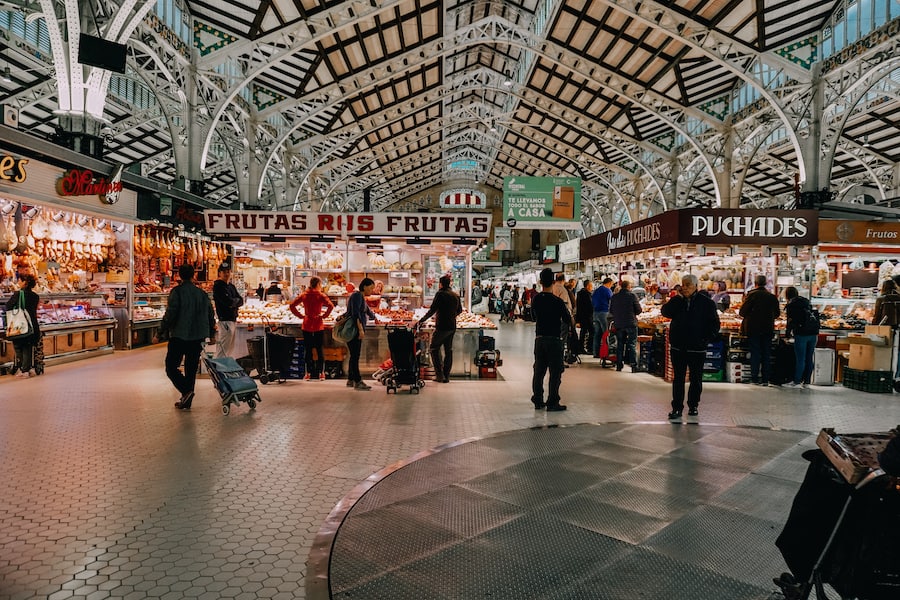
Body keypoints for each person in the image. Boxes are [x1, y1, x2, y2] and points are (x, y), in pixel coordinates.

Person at [155, 264, 216, 410]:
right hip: (197, 336)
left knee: (171, 367)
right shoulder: (202, 294)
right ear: (193, 275)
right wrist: (212, 334)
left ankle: (186, 392)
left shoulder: (177, 292)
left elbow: (170, 314)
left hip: (179, 335)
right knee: (190, 368)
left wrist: (160, 332)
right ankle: (187, 399)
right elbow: (210, 315)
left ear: (180, 276)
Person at [661, 274, 720, 420]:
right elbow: (665, 312)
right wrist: (677, 299)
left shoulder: (706, 303)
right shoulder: (677, 301)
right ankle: (677, 408)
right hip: (678, 347)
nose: (685, 288)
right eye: (683, 285)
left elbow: (714, 324)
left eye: (688, 285)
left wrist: (705, 339)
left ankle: (693, 406)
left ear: (695, 286)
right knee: (678, 378)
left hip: (697, 348)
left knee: (696, 378)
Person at [530, 267, 571, 411]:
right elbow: (567, 319)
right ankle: (552, 401)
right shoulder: (558, 301)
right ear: (553, 282)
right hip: (554, 339)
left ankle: (538, 400)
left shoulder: (536, 299)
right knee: (555, 372)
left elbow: (533, 317)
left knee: (539, 371)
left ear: (540, 282)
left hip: (540, 339)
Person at [417, 274, 462, 383]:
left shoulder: (440, 294)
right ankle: (446, 376)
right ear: (449, 283)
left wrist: (421, 320)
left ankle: (439, 375)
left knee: (434, 348)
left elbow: (432, 310)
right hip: (452, 326)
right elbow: (459, 310)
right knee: (448, 350)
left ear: (441, 284)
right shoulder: (455, 295)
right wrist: (452, 315)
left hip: (442, 326)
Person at [738, 274, 781, 386]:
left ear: (755, 284)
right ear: (765, 283)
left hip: (753, 329)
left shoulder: (751, 295)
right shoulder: (772, 297)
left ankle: (754, 378)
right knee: (766, 353)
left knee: (755, 353)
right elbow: (777, 314)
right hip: (767, 329)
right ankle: (765, 379)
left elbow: (742, 312)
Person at [290, 277, 334, 381]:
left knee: (308, 349)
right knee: (319, 349)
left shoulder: (304, 295)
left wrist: (301, 316)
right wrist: (324, 316)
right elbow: (331, 306)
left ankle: (308, 373)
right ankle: (321, 373)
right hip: (318, 324)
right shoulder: (320, 295)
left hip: (307, 324)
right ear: (318, 284)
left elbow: (292, 305)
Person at [783, 286, 819, 389]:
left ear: (787, 295)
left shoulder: (791, 305)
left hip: (801, 334)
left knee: (800, 359)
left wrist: (787, 334)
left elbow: (790, 322)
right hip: (813, 333)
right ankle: (807, 381)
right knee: (809, 358)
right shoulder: (806, 302)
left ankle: (797, 381)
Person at [5, 273, 40, 378]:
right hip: (32, 325)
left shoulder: (18, 294)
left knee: (19, 346)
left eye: (19, 280)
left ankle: (24, 369)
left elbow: (8, 306)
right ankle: (28, 369)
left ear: (25, 283)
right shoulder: (35, 296)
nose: (18, 282)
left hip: (20, 324)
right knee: (28, 347)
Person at [345, 277, 376, 390]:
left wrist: (374, 317)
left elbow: (367, 310)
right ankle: (358, 381)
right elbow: (356, 314)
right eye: (371, 288)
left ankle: (350, 379)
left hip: (355, 330)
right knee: (355, 356)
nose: (372, 290)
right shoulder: (357, 296)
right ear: (365, 286)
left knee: (354, 355)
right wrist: (360, 330)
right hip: (354, 330)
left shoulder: (360, 297)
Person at [608, 279, 642, 371]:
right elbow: (638, 310)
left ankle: (619, 365)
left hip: (619, 324)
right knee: (631, 345)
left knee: (620, 344)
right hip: (631, 323)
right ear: (628, 287)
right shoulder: (632, 296)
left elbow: (611, 311)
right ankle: (633, 366)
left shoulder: (614, 297)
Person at [211, 262, 243, 358]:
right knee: (223, 348)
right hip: (225, 321)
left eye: (228, 271)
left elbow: (241, 301)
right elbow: (228, 302)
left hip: (232, 320)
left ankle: (224, 367)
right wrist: (234, 302)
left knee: (229, 347)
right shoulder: (218, 286)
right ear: (219, 273)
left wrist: (234, 302)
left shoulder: (231, 286)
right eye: (224, 272)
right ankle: (219, 368)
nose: (226, 274)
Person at [592, 278, 614, 358]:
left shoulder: (596, 290)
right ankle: (607, 352)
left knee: (597, 334)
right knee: (606, 333)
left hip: (595, 313)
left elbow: (593, 301)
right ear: (609, 283)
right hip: (604, 313)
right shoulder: (607, 290)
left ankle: (596, 352)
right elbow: (612, 301)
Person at [575, 280, 594, 355]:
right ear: (588, 286)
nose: (592, 288)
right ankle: (589, 347)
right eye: (591, 286)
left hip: (582, 315)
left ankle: (581, 347)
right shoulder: (587, 294)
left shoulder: (580, 294)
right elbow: (589, 305)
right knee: (591, 331)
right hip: (587, 316)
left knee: (583, 331)